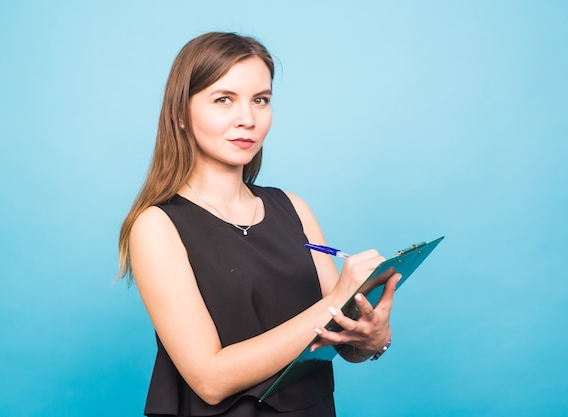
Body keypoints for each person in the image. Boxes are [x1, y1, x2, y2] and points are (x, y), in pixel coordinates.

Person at [118, 31, 399, 417]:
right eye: (223, 100)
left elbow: (341, 341)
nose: (247, 119)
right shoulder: (156, 225)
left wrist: (373, 336)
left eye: (260, 100)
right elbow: (210, 380)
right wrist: (334, 304)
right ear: (181, 114)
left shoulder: (294, 208)